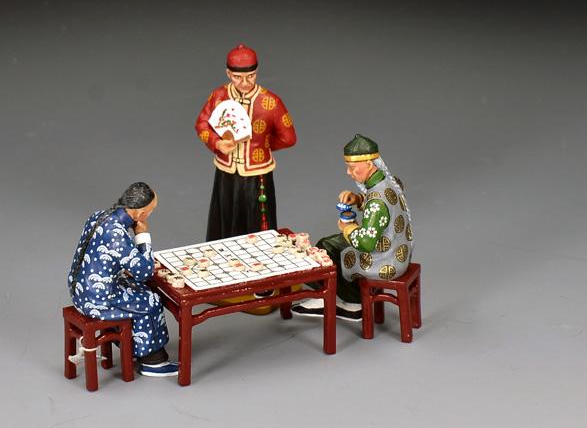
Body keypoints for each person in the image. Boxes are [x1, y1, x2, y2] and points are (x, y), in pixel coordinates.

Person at [292, 134, 414, 321]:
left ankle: (352, 302)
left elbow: (365, 243)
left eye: (352, 167)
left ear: (369, 164)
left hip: (384, 260)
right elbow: (383, 202)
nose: (349, 172)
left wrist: (348, 227)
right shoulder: (390, 182)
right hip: (400, 249)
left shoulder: (377, 202)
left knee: (326, 249)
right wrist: (358, 199)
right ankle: (338, 295)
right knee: (329, 244)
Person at [67, 182, 178, 377]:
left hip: (79, 288)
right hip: (96, 299)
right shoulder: (116, 233)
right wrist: (142, 236)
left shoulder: (100, 215)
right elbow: (145, 272)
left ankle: (133, 344)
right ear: (140, 213)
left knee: (138, 289)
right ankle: (152, 361)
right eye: (151, 211)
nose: (150, 215)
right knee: (151, 300)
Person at [194, 44, 297, 241]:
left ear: (256, 72)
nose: (244, 82)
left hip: (257, 173)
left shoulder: (271, 101)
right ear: (228, 73)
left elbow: (289, 137)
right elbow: (201, 123)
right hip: (226, 170)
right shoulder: (219, 96)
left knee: (257, 224)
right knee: (224, 220)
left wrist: (263, 145)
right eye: (237, 77)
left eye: (250, 76)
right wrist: (217, 143)